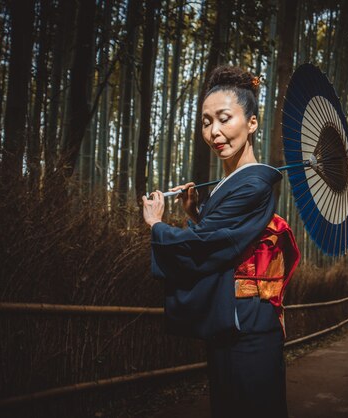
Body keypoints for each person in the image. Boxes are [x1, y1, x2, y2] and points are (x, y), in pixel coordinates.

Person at [141, 66, 300, 418]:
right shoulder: (235, 185)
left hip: (249, 326)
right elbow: (225, 238)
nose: (214, 132)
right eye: (205, 121)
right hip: (230, 322)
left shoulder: (253, 184)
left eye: (224, 119)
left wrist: (156, 225)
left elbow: (203, 246)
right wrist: (197, 213)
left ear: (252, 124)